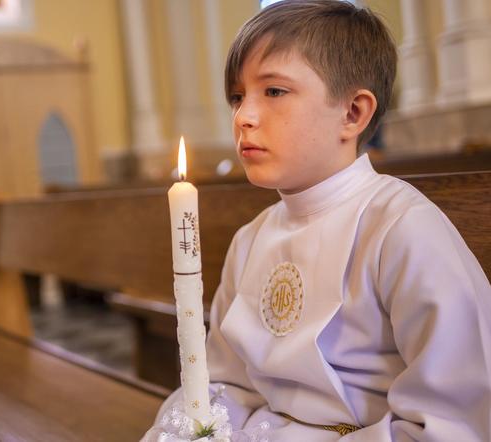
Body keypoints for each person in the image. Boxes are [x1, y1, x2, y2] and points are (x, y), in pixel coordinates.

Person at [152, 1, 491, 440]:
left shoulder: (402, 227)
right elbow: (225, 382)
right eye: (237, 97)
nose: (243, 117)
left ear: (353, 113)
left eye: (273, 91)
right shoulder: (251, 240)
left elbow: (454, 417)